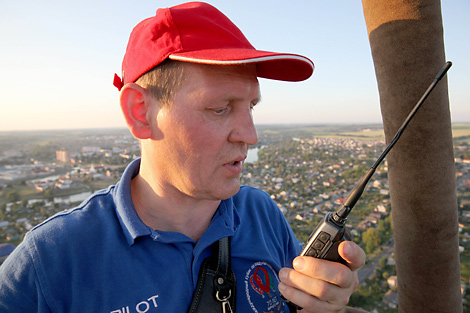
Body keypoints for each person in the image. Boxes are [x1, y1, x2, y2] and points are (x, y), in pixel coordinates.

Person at [0, 2, 366, 312]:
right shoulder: (53, 259)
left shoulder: (261, 213)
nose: (251, 135)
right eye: (221, 108)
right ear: (140, 113)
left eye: (250, 106)